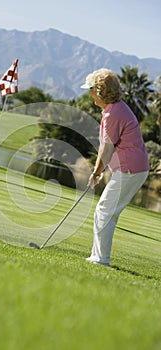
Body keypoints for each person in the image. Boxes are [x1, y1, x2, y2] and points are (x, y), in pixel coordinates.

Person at [81, 68, 149, 267]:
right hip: (133, 168)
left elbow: (107, 149)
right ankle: (97, 257)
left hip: (130, 169)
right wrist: (98, 171)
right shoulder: (113, 109)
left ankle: (100, 260)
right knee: (107, 211)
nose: (89, 93)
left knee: (104, 210)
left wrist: (96, 173)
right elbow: (105, 147)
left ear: (100, 90)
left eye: (91, 89)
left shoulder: (113, 114)